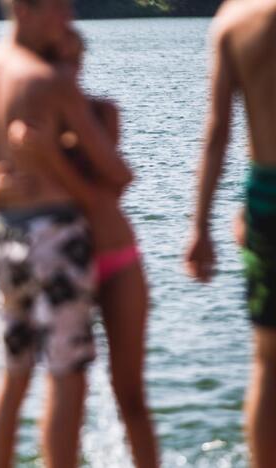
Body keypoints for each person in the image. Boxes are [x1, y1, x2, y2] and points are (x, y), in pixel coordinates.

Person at [0, 0, 132, 466]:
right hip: (56, 236)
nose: (67, 20)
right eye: (58, 9)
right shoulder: (48, 81)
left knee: (14, 373)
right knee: (66, 374)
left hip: (5, 234)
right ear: (24, 8)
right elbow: (116, 174)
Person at [185, 1, 276, 466]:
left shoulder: (236, 21)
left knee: (268, 362)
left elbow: (218, 131)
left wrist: (200, 226)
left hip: (267, 197)